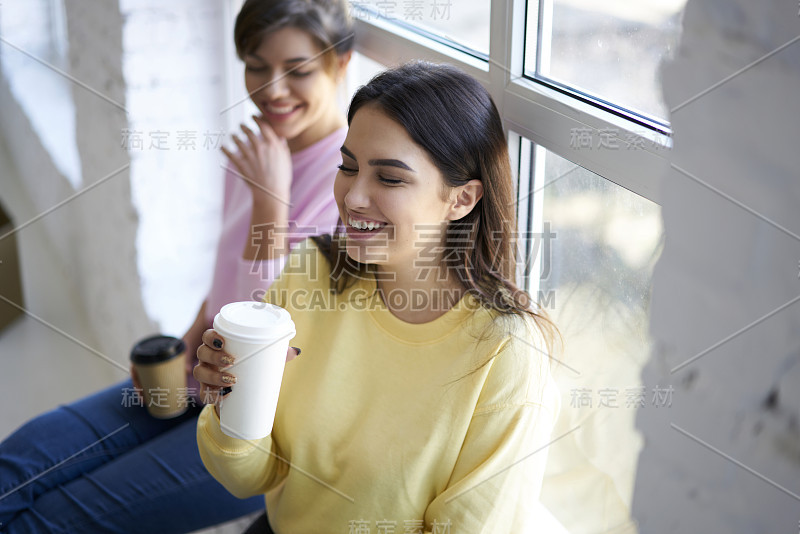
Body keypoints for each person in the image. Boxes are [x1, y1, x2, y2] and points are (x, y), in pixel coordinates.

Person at [0, 1, 353, 531]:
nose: (272, 89)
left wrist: (270, 206)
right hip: (201, 374)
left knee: (46, 520)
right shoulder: (261, 150)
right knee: (16, 465)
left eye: (298, 70)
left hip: (261, 422)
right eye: (256, 65)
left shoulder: (350, 187)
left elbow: (279, 334)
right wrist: (188, 343)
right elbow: (227, 281)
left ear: (340, 65)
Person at [194, 61, 562, 533]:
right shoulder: (313, 273)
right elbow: (255, 477)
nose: (353, 198)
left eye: (389, 179)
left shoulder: (506, 352)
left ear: (462, 199)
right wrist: (232, 406)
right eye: (348, 167)